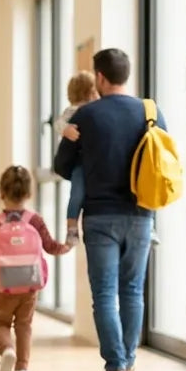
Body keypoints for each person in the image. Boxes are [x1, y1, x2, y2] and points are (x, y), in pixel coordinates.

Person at [52, 48, 162, 371]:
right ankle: (128, 360)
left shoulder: (87, 116)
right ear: (125, 75)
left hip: (100, 217)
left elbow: (62, 166)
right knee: (132, 290)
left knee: (104, 293)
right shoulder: (149, 111)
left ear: (99, 77)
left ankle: (114, 365)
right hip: (142, 215)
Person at [0, 166, 73, 371]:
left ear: (1, 193)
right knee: (24, 325)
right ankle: (22, 369)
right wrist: (66, 246)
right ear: (29, 194)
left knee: (1, 323)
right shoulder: (35, 220)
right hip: (30, 284)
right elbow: (50, 246)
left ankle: (7, 350)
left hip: (3, 285)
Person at [58, 71, 100, 245]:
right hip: (80, 163)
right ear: (91, 92)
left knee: (77, 195)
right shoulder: (75, 111)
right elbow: (60, 123)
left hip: (84, 163)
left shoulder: (90, 110)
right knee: (76, 194)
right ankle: (71, 228)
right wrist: (65, 130)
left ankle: (72, 228)